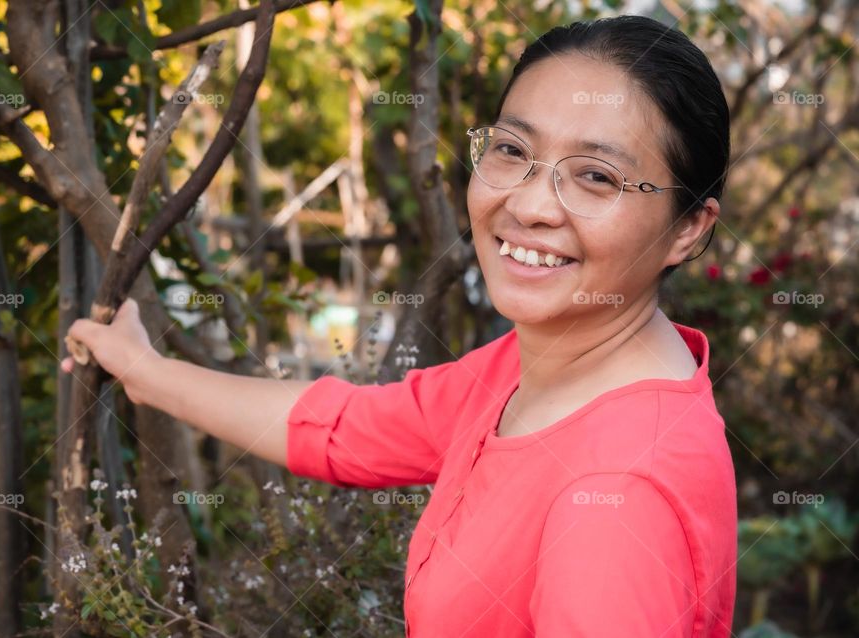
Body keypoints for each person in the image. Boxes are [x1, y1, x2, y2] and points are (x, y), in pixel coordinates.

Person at [62, 14, 737, 637]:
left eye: (595, 176)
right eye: (511, 150)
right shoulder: (541, 366)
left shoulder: (615, 499)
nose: (530, 204)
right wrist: (146, 375)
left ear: (687, 227)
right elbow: (348, 428)